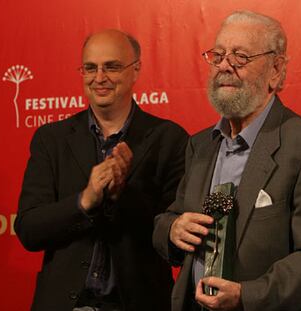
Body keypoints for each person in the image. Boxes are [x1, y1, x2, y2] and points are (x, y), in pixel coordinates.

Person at [153, 10, 301, 311]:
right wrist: (173, 229)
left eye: (240, 57)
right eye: (218, 55)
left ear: (276, 69)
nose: (224, 66)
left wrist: (247, 295)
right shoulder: (199, 145)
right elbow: (168, 219)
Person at [15, 29, 189, 311]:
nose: (99, 78)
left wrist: (123, 194)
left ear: (136, 70)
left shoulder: (169, 139)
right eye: (90, 68)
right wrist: (85, 200)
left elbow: (173, 241)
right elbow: (29, 230)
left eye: (112, 67)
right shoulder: (52, 139)